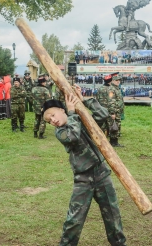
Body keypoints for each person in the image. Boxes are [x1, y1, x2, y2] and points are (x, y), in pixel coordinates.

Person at [42, 85, 126, 246]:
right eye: (49, 120)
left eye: (52, 115)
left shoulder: (81, 117)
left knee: (113, 216)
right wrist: (73, 113)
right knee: (74, 220)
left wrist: (84, 101)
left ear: (62, 109)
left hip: (102, 174)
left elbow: (103, 115)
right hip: (83, 179)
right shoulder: (60, 132)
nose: (52, 120)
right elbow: (72, 136)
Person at [96, 72, 124, 147]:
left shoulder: (100, 88)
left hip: (102, 110)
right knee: (113, 125)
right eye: (116, 80)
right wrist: (112, 113)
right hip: (111, 110)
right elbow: (111, 101)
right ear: (111, 81)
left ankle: (100, 141)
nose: (118, 81)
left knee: (103, 126)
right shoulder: (111, 89)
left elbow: (97, 99)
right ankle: (113, 142)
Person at [32, 74, 51, 139]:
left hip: (36, 107)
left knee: (37, 119)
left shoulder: (34, 89)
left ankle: (35, 133)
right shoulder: (45, 90)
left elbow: (32, 97)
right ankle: (40, 135)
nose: (45, 83)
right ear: (42, 82)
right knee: (43, 121)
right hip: (43, 107)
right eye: (45, 82)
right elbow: (48, 100)